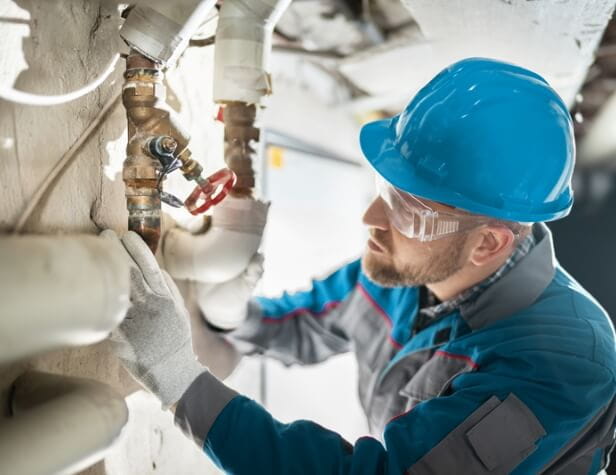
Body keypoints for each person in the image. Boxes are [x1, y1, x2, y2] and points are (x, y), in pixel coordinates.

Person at [104, 58, 616, 474]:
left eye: (409, 211)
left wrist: (177, 376)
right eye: (384, 190)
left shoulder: (561, 364)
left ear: (488, 244)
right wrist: (231, 311)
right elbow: (308, 321)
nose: (371, 219)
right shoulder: (407, 272)